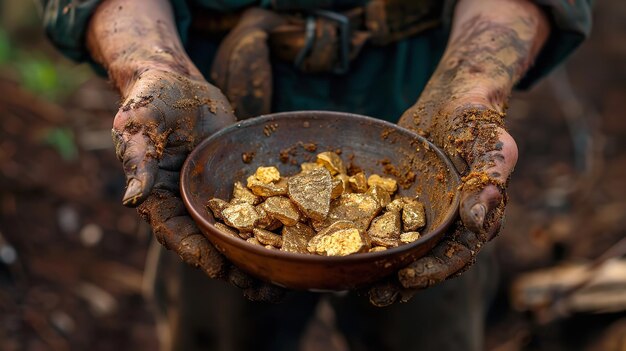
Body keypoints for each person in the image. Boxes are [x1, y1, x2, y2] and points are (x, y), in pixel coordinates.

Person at [42, 0, 591, 349]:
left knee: (431, 320)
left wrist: (476, 87)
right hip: (205, 123)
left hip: (422, 102)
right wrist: (150, 65)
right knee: (213, 324)